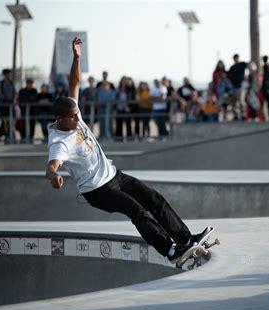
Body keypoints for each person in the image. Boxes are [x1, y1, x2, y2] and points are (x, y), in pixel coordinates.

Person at [45, 37, 211, 264]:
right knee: (138, 211)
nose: (77, 118)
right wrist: (54, 176)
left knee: (153, 198)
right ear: (60, 118)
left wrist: (77, 58)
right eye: (73, 116)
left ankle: (186, 239)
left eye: (77, 114)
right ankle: (171, 251)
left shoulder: (72, 112)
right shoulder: (59, 142)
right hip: (98, 190)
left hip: (114, 175)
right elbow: (51, 166)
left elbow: (74, 82)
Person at [0, 69, 16, 141]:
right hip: (4, 106)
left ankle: (10, 134)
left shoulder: (12, 83)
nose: (8, 76)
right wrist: (4, 100)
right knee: (4, 121)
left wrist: (13, 100)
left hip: (11, 106)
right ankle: (4, 134)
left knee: (11, 121)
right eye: (7, 74)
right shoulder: (1, 83)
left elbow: (14, 92)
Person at [228, 54, 248, 120]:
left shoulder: (242, 64)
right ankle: (236, 115)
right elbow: (229, 76)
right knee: (234, 102)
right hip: (234, 87)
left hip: (241, 87)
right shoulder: (232, 67)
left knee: (241, 101)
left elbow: (250, 65)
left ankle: (243, 115)